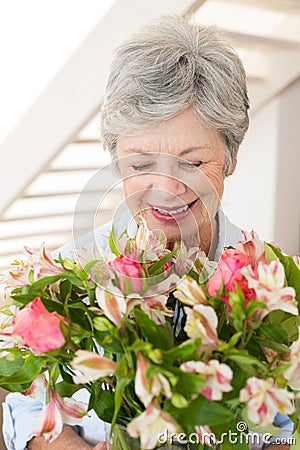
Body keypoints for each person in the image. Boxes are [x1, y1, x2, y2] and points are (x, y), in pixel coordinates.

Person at [2, 15, 292, 450]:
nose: (167, 189)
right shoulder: (66, 274)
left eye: (192, 163)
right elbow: (24, 403)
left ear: (231, 159)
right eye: (140, 165)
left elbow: (286, 427)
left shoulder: (276, 286)